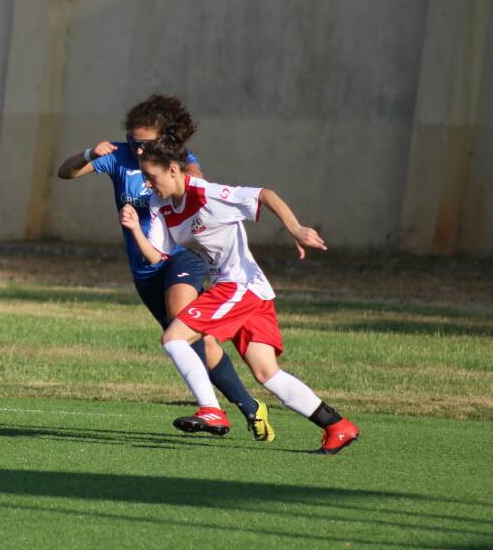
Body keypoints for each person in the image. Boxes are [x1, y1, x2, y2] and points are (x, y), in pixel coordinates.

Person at [120, 140, 360, 454]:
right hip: (250, 292)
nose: (147, 184)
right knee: (266, 373)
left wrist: (296, 228)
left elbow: (264, 195)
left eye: (151, 177)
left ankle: (211, 409)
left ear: (174, 169)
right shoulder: (158, 204)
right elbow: (157, 257)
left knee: (174, 338)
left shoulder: (205, 194)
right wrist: (136, 229)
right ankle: (337, 426)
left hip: (239, 287)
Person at [58, 94, 274, 441]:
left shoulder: (180, 161)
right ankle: (251, 407)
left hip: (178, 257)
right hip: (144, 266)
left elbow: (197, 192)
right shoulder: (116, 156)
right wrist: (87, 154)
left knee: (180, 319)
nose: (138, 150)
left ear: (162, 139)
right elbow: (64, 173)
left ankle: (212, 411)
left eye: (144, 143)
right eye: (133, 141)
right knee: (196, 342)